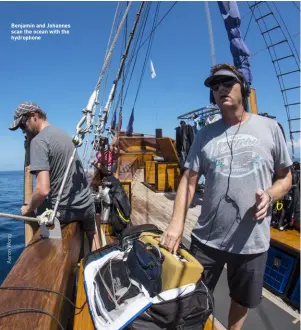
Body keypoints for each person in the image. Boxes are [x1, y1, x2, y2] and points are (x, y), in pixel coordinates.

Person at [160, 63, 292, 330]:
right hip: (207, 239)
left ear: (242, 88)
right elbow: (188, 180)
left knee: (241, 299)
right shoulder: (205, 134)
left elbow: (286, 177)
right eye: (214, 87)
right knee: (192, 297)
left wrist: (269, 193)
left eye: (226, 83)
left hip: (252, 242)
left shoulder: (270, 128)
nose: (220, 90)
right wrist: (175, 224)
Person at [9, 101, 100, 252]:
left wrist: (28, 209)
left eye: (23, 125)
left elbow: (42, 190)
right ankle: (99, 266)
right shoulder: (62, 134)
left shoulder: (39, 142)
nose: (22, 130)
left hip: (63, 211)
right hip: (86, 205)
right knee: (93, 234)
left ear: (34, 116)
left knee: (35, 214)